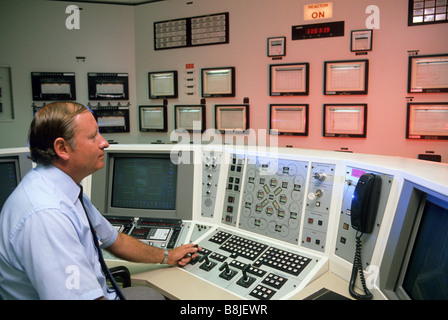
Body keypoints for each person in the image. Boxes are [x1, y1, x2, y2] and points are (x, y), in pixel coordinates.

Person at [0, 101, 200, 300]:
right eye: (93, 136)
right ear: (62, 148)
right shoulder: (47, 216)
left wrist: (167, 256)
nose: (104, 143)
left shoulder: (62, 189)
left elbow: (115, 240)